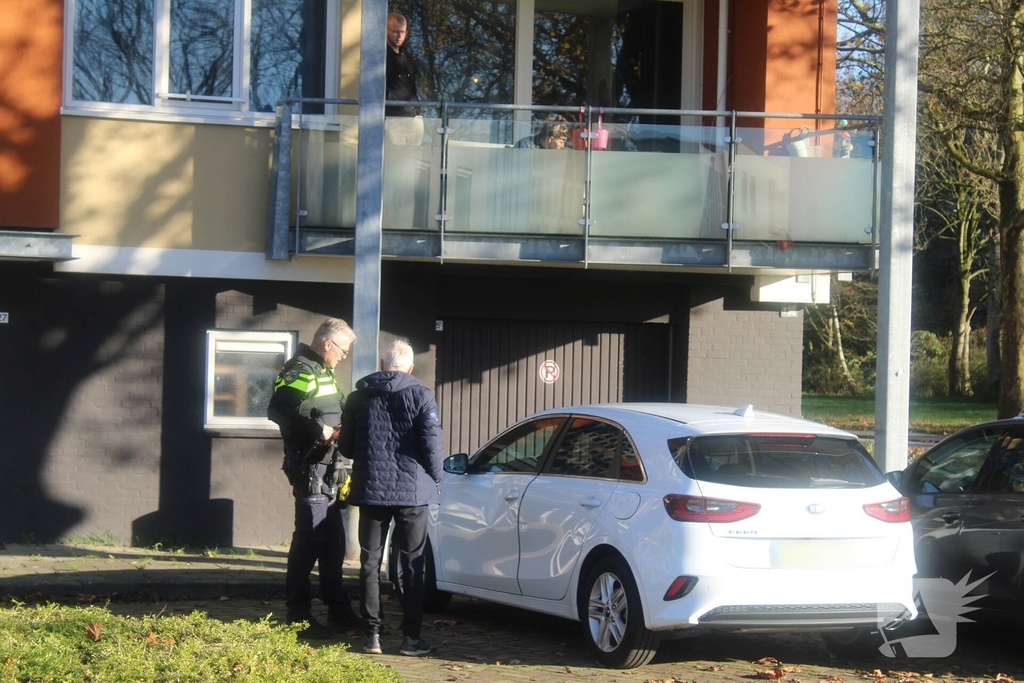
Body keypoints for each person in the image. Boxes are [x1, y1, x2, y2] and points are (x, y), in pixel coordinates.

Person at [337, 340, 445, 657]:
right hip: (412, 493)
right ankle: (411, 639)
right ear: (409, 367)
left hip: (371, 489)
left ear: (383, 365)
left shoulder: (358, 397)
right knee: (413, 565)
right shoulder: (422, 396)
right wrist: (437, 477)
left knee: (370, 563)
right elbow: (432, 445)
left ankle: (372, 635)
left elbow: (345, 447)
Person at [267, 317, 358, 639]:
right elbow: (277, 409)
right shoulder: (301, 369)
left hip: (329, 469)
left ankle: (340, 613)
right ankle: (299, 618)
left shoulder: (323, 372)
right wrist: (317, 430)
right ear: (328, 344)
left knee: (333, 545)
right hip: (309, 469)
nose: (344, 357)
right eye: (343, 351)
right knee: (308, 542)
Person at [385, 12, 424, 145]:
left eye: (402, 32)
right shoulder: (381, 58)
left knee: (412, 162)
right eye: (395, 32)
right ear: (386, 30)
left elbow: (413, 88)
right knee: (396, 161)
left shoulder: (408, 58)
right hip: (392, 118)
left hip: (413, 119)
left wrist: (418, 114)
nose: (399, 36)